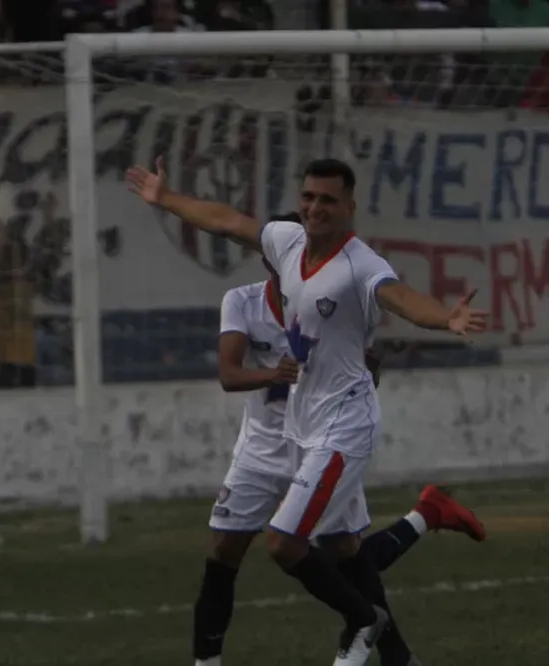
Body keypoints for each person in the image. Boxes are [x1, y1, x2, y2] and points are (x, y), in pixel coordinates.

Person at [127, 156, 488, 666]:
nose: (316, 208)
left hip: (341, 427)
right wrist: (166, 199)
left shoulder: (359, 265)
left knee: (285, 544)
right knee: (343, 551)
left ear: (349, 207)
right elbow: (228, 221)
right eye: (309, 198)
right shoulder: (281, 254)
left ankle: (365, 621)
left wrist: (445, 317)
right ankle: (401, 640)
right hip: (295, 429)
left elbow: (400, 297)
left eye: (328, 200)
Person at [194, 257, 486, 666]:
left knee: (344, 552)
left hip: (320, 444)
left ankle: (394, 647)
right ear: (269, 257)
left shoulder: (332, 305)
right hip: (260, 451)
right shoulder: (243, 302)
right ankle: (207, 663)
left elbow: (367, 366)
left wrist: (364, 367)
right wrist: (274, 375)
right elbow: (228, 374)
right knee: (225, 549)